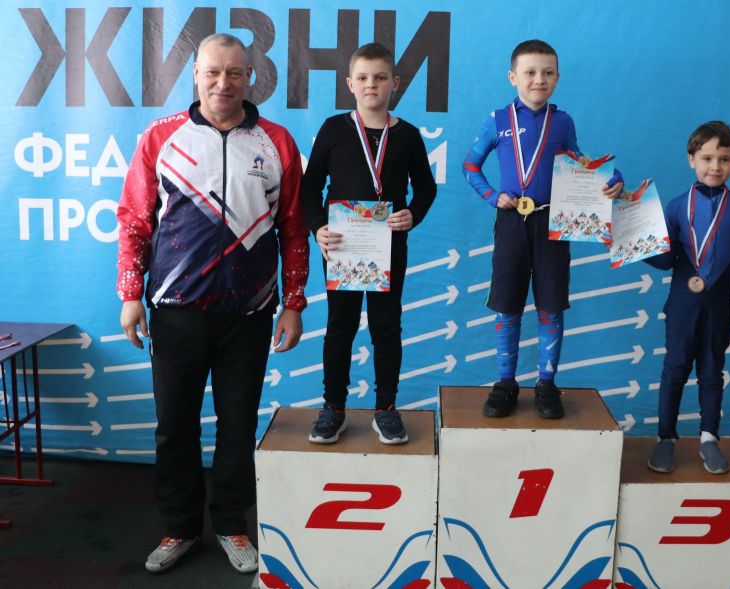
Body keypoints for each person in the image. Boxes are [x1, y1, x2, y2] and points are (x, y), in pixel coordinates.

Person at [116, 33, 308, 574]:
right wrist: (130, 295)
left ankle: (231, 524)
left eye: (235, 73)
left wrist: (293, 303)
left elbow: (294, 229)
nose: (224, 83)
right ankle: (179, 527)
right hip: (175, 311)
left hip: (249, 315)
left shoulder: (277, 141)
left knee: (238, 427)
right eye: (213, 72)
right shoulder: (161, 137)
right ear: (195, 76)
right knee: (174, 427)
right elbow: (134, 221)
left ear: (250, 77)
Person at [463, 39, 623, 419]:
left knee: (551, 306)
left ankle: (547, 384)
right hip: (511, 222)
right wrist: (492, 196)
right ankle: (506, 383)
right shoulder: (498, 119)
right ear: (513, 77)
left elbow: (582, 163)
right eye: (530, 72)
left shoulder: (563, 122)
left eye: (547, 73)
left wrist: (612, 177)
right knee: (507, 306)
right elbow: (470, 166)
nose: (539, 79)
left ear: (557, 78)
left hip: (554, 222)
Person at [300, 43, 436, 445]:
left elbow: (426, 188)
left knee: (386, 326)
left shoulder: (408, 135)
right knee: (339, 327)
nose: (371, 84)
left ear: (395, 83)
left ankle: (386, 408)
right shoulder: (333, 130)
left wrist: (413, 214)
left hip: (388, 247)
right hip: (341, 246)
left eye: (380, 77)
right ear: (349, 84)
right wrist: (317, 228)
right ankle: (334, 408)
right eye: (362, 78)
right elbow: (309, 188)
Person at [646, 121, 730, 475]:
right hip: (682, 306)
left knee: (711, 373)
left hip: (720, 309)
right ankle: (666, 438)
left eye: (724, 159)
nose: (715, 166)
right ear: (691, 159)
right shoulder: (678, 207)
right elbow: (665, 261)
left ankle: (709, 438)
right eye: (707, 158)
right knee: (674, 370)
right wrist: (634, 248)